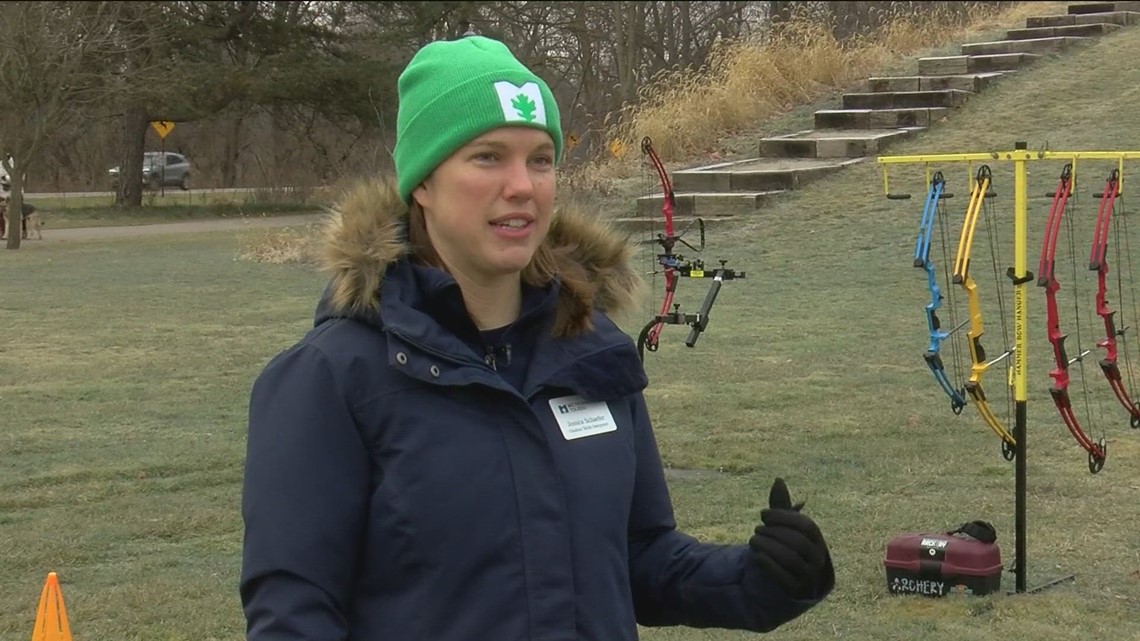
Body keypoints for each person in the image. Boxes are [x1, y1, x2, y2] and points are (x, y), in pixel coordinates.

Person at [240, 34, 834, 641]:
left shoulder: (592, 351)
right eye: (488, 157)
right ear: (422, 183)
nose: (523, 185)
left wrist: (757, 580)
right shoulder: (330, 379)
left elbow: (638, 557)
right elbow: (294, 614)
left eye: (540, 159)